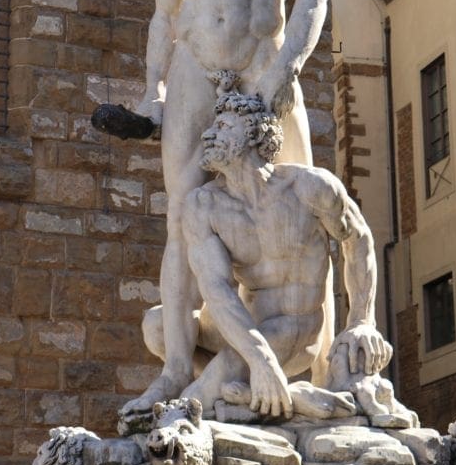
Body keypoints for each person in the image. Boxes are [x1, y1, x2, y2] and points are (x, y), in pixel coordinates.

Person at [119, 0, 331, 423]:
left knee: (296, 202)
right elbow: (164, 15)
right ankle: (177, 371)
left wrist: (276, 81)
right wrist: (153, 91)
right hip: (193, 71)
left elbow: (313, 1)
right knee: (182, 215)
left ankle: (317, 369)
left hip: (265, 64)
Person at [157, 90, 391, 419]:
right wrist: (261, 361)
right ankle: (254, 390)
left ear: (255, 135)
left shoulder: (308, 187)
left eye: (223, 126)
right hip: (244, 325)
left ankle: (235, 389)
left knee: (191, 406)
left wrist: (362, 321)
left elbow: (358, 239)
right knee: (157, 325)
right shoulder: (203, 205)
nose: (209, 134)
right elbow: (217, 291)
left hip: (292, 327)